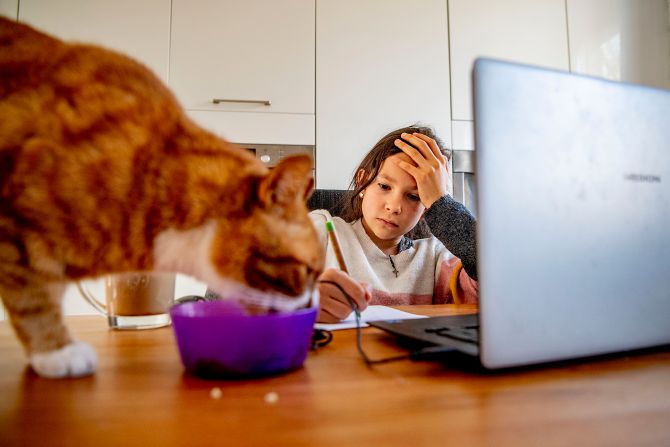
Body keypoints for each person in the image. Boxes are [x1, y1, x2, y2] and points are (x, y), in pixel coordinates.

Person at [310, 125, 478, 323]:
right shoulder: (321, 230)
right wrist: (304, 299)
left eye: (414, 197)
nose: (394, 206)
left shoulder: (437, 259)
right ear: (362, 181)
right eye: (384, 186)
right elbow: (266, 290)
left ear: (426, 208)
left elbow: (497, 280)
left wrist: (441, 202)